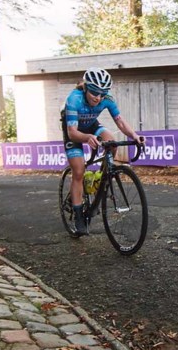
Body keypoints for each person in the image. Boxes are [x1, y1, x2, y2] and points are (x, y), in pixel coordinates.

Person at [61, 68, 144, 235]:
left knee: (112, 142)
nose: (98, 97)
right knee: (79, 171)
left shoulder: (107, 99)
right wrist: (86, 138)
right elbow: (72, 132)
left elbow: (120, 122)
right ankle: (78, 216)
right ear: (85, 87)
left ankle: (101, 177)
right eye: (94, 92)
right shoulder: (74, 99)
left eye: (102, 93)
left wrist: (135, 136)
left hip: (92, 125)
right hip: (74, 131)